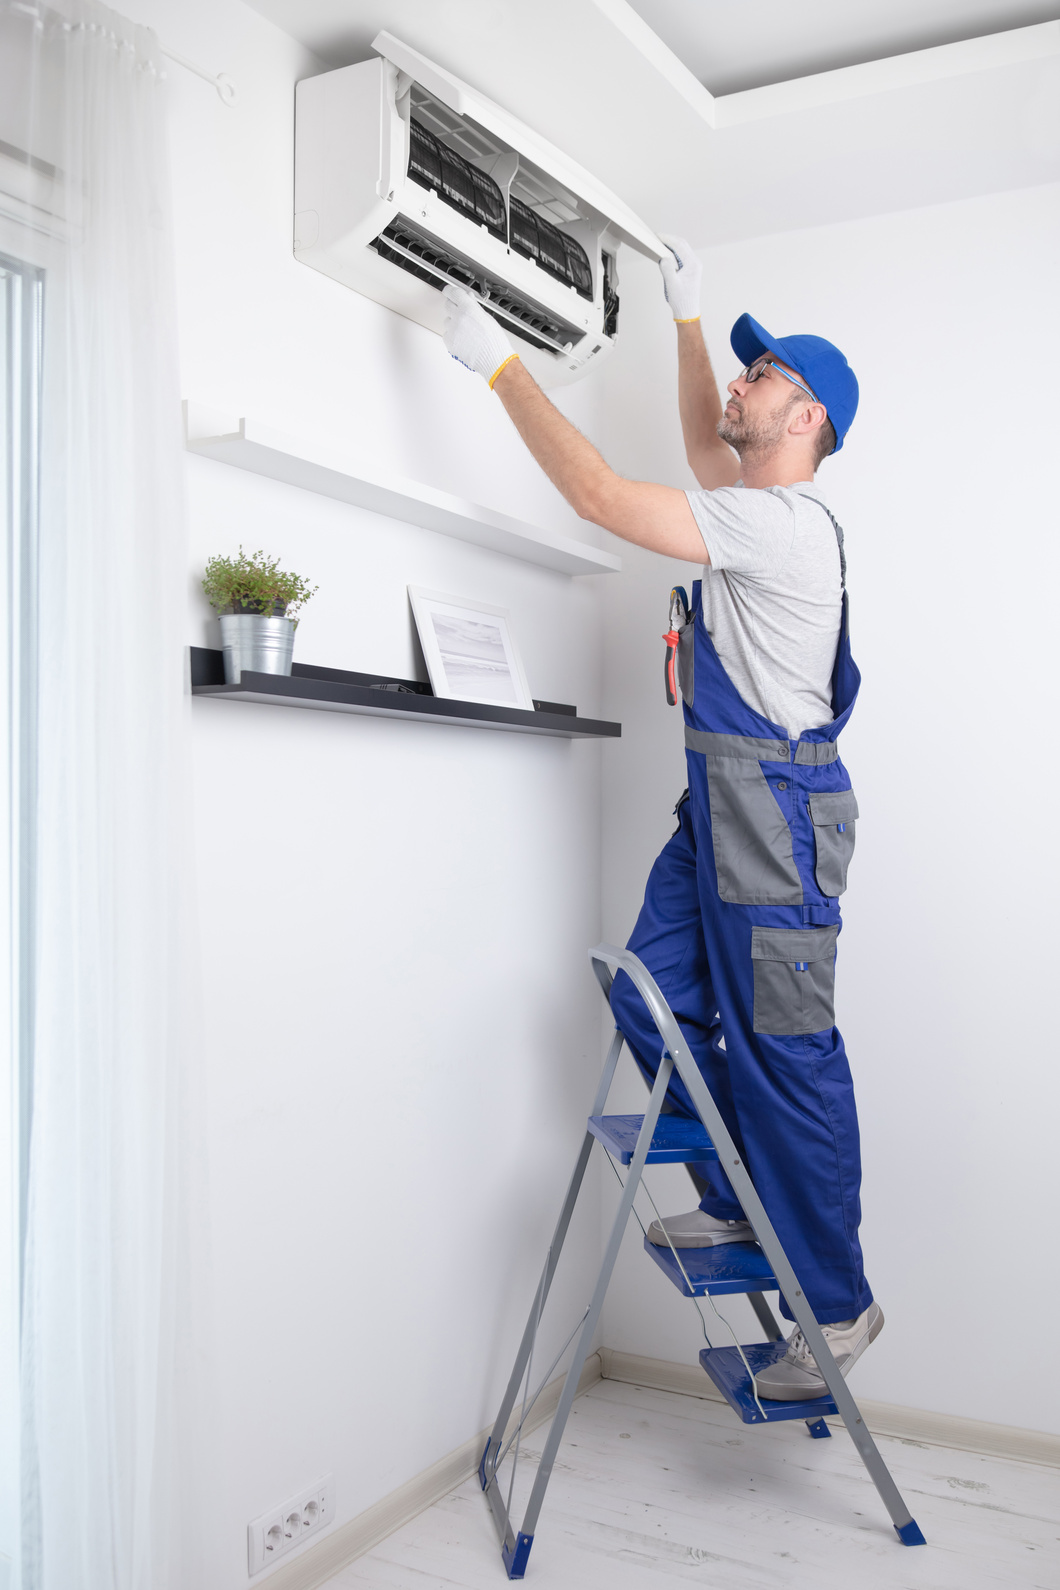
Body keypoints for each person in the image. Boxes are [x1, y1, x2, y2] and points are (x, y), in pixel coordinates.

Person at [440, 237, 880, 1402]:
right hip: (722, 812)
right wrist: (687, 321)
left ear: (806, 419)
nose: (740, 383)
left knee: (788, 1063)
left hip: (777, 824)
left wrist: (500, 367)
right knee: (649, 991)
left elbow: (599, 496)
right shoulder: (753, 506)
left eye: (761, 375)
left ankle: (837, 1307)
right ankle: (735, 1199)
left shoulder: (781, 527)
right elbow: (701, 446)